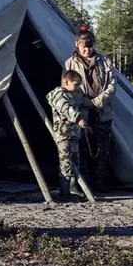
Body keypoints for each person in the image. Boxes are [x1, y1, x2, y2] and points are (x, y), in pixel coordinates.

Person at [65, 26, 116, 191]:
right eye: (83, 46)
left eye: (90, 46)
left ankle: (100, 181)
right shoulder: (70, 63)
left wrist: (99, 100)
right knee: (83, 148)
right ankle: (85, 183)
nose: (87, 50)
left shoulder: (104, 62)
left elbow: (112, 84)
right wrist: (86, 102)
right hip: (83, 112)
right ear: (77, 45)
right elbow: (69, 87)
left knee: (103, 148)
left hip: (103, 112)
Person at [47, 70, 89, 200]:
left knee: (75, 161)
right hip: (64, 134)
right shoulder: (59, 95)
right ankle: (65, 192)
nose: (77, 88)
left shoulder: (70, 95)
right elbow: (66, 109)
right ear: (66, 82)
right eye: (76, 84)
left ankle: (73, 188)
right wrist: (78, 119)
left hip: (73, 134)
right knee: (65, 162)